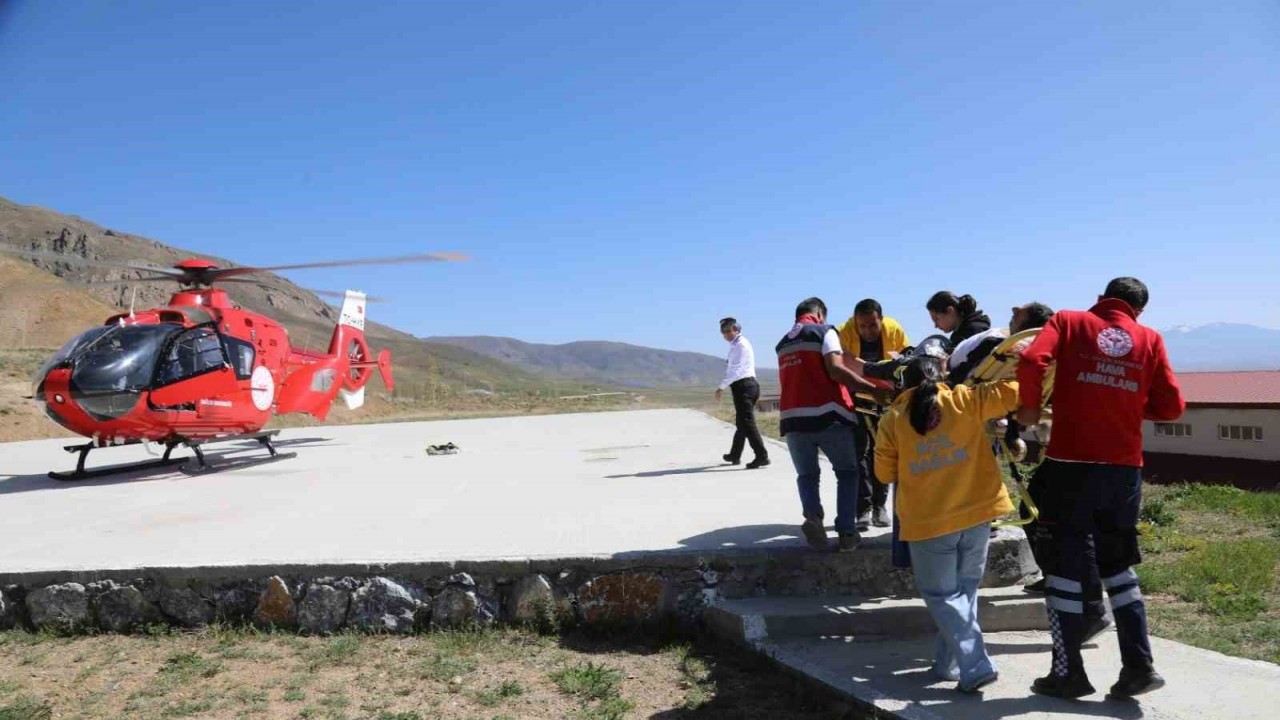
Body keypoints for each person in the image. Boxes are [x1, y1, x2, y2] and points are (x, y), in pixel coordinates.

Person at [1017, 277, 1185, 700]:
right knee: (1118, 566)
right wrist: (1123, 402)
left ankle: (1068, 672)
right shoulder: (1149, 338)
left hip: (1070, 468)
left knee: (1062, 569)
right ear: (1138, 311)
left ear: (1100, 299)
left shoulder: (1069, 322)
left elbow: (1032, 359)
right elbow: (1171, 407)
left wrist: (1031, 411)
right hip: (1124, 472)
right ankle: (1139, 668)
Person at [874, 353, 1020, 694]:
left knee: (941, 594)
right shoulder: (968, 399)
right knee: (963, 592)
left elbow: (883, 473)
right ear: (942, 376)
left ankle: (975, 664)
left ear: (906, 383)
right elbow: (1016, 390)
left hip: (929, 522)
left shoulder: (893, 419)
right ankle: (948, 664)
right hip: (978, 515)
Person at [776, 297, 882, 552]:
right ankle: (846, 532)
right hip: (828, 417)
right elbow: (835, 370)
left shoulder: (783, 343)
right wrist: (872, 388)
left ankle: (813, 517)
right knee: (847, 472)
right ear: (820, 314)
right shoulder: (824, 332)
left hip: (793, 420)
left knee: (807, 475)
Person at [837, 298, 910, 530]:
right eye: (863, 326)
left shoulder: (894, 329)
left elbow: (905, 363)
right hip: (855, 399)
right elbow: (840, 366)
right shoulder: (842, 333)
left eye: (872, 325)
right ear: (855, 323)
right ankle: (863, 508)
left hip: (886, 398)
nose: (868, 331)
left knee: (883, 450)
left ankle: (880, 506)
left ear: (881, 319)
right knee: (859, 451)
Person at [947, 302, 1054, 385]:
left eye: (1018, 314)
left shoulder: (998, 345)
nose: (1014, 309)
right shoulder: (1044, 360)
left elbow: (965, 370)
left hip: (952, 369)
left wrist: (944, 375)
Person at [716, 317, 769, 469]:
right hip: (744, 386)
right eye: (723, 331)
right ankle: (735, 454)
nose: (725, 334)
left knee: (747, 422)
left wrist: (721, 387)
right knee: (741, 422)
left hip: (744, 386)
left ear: (737, 329)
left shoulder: (740, 345)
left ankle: (761, 456)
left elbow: (735, 370)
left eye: (728, 330)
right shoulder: (736, 345)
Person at [927, 291, 991, 346]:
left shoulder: (970, 334)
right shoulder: (973, 328)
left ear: (950, 311)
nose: (936, 326)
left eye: (936, 319)